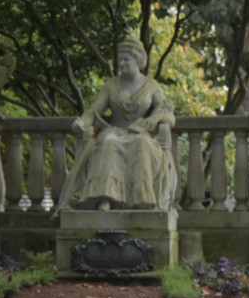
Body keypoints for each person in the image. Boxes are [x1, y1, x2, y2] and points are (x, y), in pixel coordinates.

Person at [59, 38, 176, 212]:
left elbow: (169, 115)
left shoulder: (152, 86)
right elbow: (93, 111)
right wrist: (81, 122)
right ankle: (105, 198)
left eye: (125, 59)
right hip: (115, 131)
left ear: (137, 60)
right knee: (108, 141)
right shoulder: (110, 86)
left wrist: (157, 117)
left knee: (141, 143)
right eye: (119, 59)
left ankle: (142, 199)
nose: (121, 63)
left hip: (140, 133)